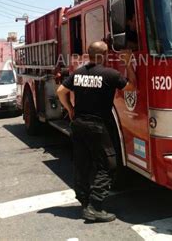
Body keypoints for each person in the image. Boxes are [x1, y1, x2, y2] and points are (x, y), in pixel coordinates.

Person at [57, 41, 136, 223]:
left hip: (78, 124)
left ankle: (84, 203)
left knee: (82, 163)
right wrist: (128, 63)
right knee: (108, 165)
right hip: (97, 126)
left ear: (89, 55)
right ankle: (95, 206)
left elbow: (61, 91)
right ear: (106, 55)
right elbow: (131, 87)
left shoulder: (78, 73)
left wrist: (70, 108)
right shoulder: (110, 74)